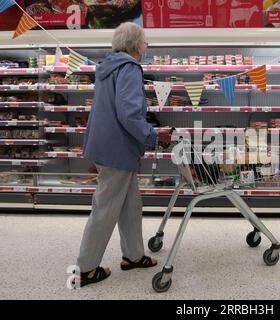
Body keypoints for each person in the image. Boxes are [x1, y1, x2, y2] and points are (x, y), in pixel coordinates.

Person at [76, 22, 168, 287]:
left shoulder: (107, 67)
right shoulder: (129, 68)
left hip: (106, 145)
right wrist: (152, 134)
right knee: (104, 209)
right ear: (136, 45)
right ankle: (85, 268)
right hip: (117, 149)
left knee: (130, 205)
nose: (146, 47)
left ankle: (133, 255)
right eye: (145, 43)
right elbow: (128, 113)